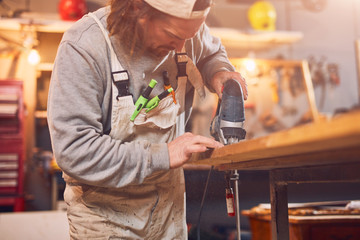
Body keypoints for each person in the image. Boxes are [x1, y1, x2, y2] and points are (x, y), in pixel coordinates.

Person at [47, 0, 248, 239]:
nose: (181, 47)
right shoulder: (85, 46)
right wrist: (162, 155)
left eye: (191, 35)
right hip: (105, 222)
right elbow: (75, 151)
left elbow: (211, 52)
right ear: (135, 10)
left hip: (169, 218)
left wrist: (219, 70)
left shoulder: (184, 31)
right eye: (174, 35)